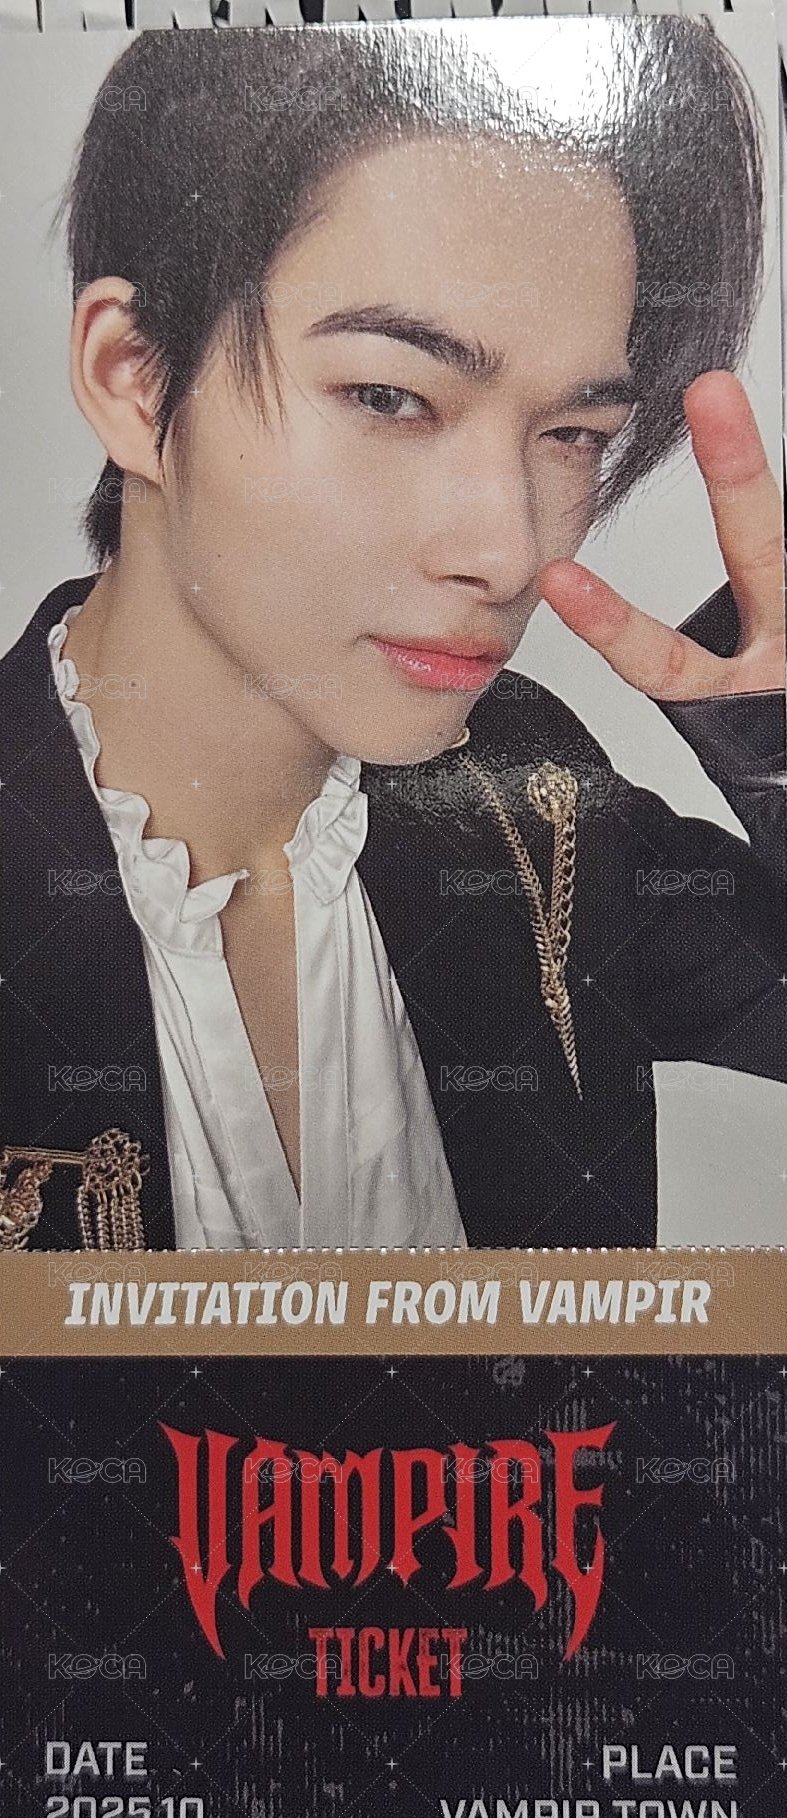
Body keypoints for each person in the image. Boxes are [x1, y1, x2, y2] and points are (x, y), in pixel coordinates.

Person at [1, 20, 785, 1253]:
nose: (508, 550)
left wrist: (775, 738)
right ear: (136, 378)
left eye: (571, 434)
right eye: (389, 396)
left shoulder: (533, 801)